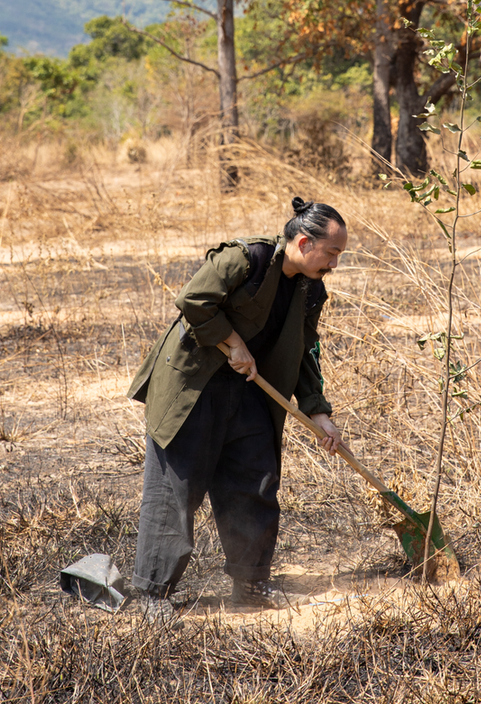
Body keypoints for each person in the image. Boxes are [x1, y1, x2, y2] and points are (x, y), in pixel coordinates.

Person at [127, 197, 349, 615]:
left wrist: (319, 411)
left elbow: (304, 349)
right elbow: (193, 300)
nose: (334, 264)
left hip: (249, 392)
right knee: (176, 489)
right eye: (332, 253)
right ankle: (152, 594)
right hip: (194, 386)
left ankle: (250, 587)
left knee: (256, 484)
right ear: (304, 242)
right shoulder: (245, 258)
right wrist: (233, 343)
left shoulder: (310, 289)